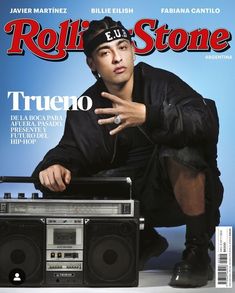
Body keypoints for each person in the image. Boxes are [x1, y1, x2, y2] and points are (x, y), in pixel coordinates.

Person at [32, 16, 223, 287]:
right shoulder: (86, 105)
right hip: (131, 198)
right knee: (51, 178)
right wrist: (55, 164)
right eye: (104, 53)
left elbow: (204, 121)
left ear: (133, 50)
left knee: (183, 148)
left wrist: (150, 115)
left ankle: (197, 252)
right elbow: (70, 149)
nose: (117, 58)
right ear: (92, 64)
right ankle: (145, 240)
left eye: (122, 47)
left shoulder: (161, 83)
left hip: (176, 194)